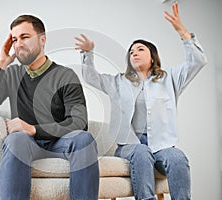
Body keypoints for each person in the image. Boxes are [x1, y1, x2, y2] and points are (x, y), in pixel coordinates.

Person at [74, 2, 207, 200]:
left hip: (163, 146)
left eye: (140, 49)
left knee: (178, 158)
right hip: (129, 146)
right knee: (142, 151)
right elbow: (91, 77)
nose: (134, 53)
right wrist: (88, 53)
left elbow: (198, 62)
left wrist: (182, 33)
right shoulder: (118, 82)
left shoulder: (169, 78)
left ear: (152, 57)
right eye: (131, 51)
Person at [0, 14, 99, 200]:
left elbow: (79, 122)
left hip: (59, 142)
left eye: (25, 37)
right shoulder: (12, 74)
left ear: (42, 40)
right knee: (15, 141)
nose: (18, 44)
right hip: (27, 145)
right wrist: (1, 64)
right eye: (15, 39)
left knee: (84, 139)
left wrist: (33, 128)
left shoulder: (65, 75)